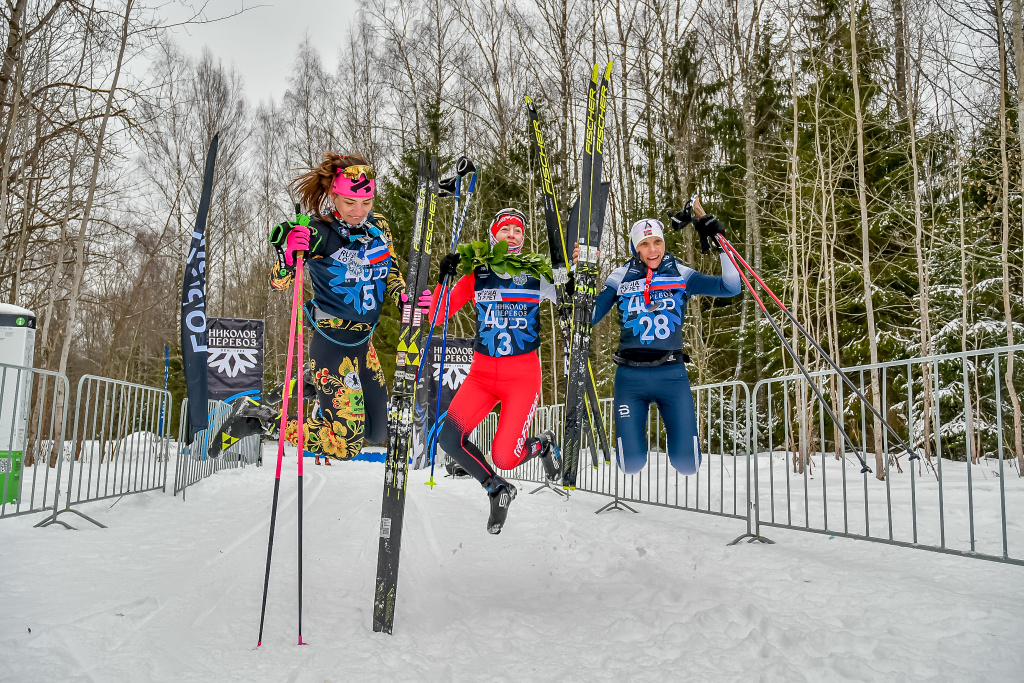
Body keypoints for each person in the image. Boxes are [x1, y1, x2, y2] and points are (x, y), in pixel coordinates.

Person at [269, 153, 416, 462]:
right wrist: (288, 257)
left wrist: (403, 296)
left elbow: (388, 269)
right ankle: (260, 419)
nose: (358, 211)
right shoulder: (319, 232)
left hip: (364, 345)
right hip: (332, 344)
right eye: (350, 202)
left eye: (366, 201)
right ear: (333, 195)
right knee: (345, 448)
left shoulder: (379, 228)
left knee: (378, 432)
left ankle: (311, 383)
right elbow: (279, 283)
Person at [425, 208, 561, 534]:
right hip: (482, 377)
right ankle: (497, 488)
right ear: (493, 235)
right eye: (506, 229)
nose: (512, 234)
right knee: (449, 439)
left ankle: (542, 445)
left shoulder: (535, 273)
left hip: (521, 379)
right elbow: (437, 316)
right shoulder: (477, 273)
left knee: (504, 456)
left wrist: (570, 276)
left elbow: (573, 299)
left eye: (518, 230)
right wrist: (444, 279)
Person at [590, 201, 740, 476]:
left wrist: (722, 243)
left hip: (671, 374)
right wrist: (582, 276)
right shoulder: (620, 275)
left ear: (663, 244)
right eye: (645, 244)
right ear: (636, 248)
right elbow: (589, 317)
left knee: (688, 464)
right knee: (630, 464)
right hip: (630, 377)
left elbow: (731, 287)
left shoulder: (680, 273)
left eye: (657, 242)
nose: (652, 250)